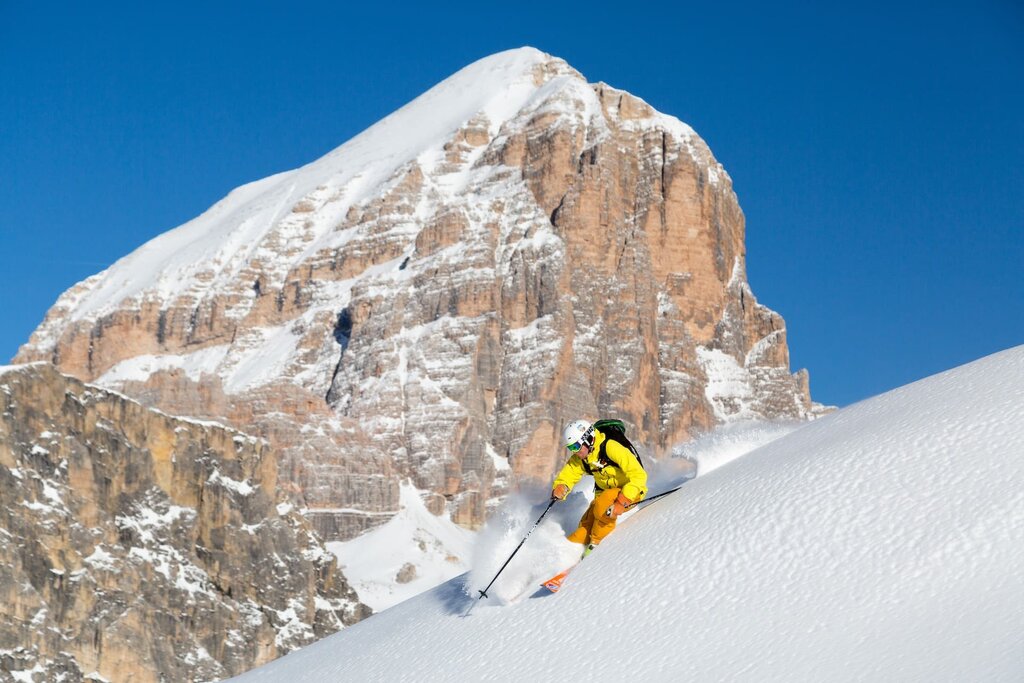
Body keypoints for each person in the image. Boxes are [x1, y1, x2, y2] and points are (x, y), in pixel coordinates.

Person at [551, 419, 647, 556]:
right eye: (571, 448)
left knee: (603, 508)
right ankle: (569, 552)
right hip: (605, 495)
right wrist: (561, 486)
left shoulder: (610, 447)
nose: (575, 451)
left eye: (576, 446)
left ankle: (596, 549)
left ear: (588, 439)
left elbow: (639, 475)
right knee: (587, 523)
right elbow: (570, 473)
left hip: (631, 491)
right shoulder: (583, 457)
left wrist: (623, 501)